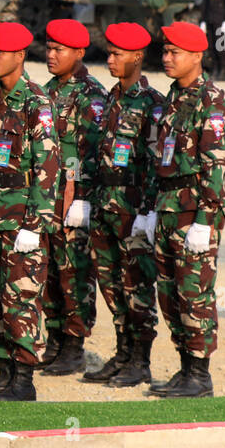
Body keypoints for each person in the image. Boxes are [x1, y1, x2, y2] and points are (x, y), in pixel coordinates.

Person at [0, 22, 59, 402]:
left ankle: (23, 380)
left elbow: (47, 167)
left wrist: (34, 225)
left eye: (1, 53)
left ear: (19, 56)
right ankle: (3, 372)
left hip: (21, 221)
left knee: (21, 298)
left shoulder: (35, 102)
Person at [145, 22, 225, 398]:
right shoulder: (172, 99)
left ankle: (200, 373)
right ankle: (184, 367)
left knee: (194, 294)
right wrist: (151, 209)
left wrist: (205, 219)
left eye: (174, 52)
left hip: (194, 210)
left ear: (196, 56)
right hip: (167, 207)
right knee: (170, 293)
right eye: (164, 51)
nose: (166, 58)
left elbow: (215, 163)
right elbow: (158, 159)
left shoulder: (210, 99)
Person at [82, 22, 163, 387]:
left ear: (138, 57)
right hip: (105, 206)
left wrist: (147, 212)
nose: (110, 60)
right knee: (111, 285)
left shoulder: (153, 105)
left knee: (137, 286)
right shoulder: (111, 98)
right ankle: (122, 351)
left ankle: (140, 360)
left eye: (117, 54)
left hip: (132, 210)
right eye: (109, 53)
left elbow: (154, 163)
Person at [39, 19, 107, 376]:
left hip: (72, 199)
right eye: (48, 48)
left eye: (59, 50)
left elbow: (93, 153)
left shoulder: (90, 95)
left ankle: (74, 344)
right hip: (48, 198)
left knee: (75, 271)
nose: (51, 55)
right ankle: (53, 338)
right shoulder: (49, 89)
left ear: (79, 53)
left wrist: (82, 196)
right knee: (49, 269)